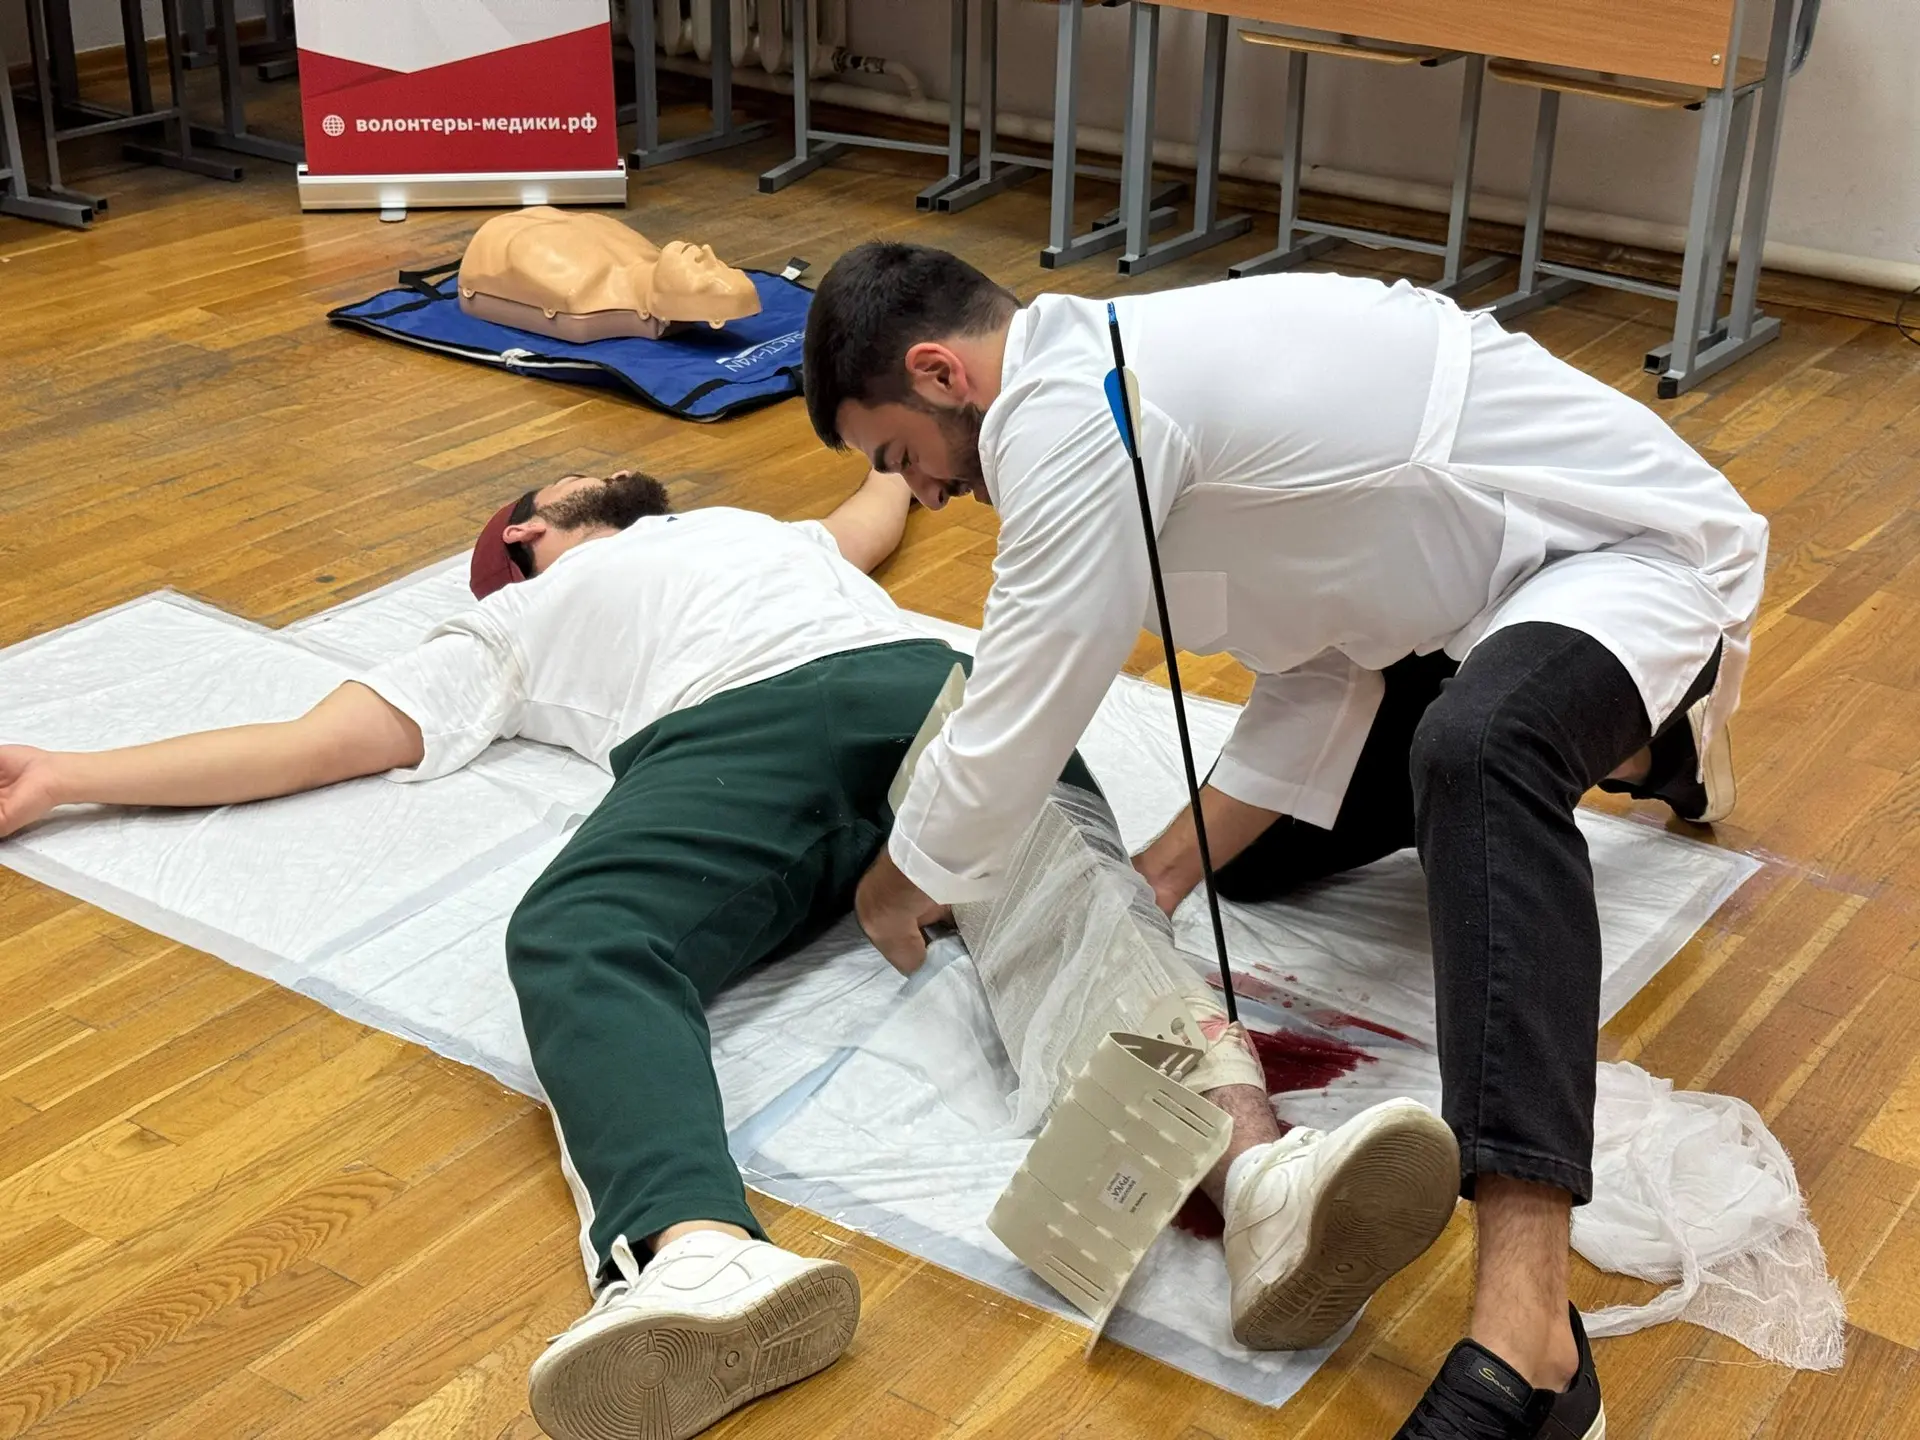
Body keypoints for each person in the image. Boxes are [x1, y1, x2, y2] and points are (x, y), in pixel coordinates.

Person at [0, 466, 1455, 1440]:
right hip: (858, 706)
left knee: (601, 934)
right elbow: (318, 739)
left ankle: (713, 1248)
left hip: (850, 707)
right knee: (1067, 905)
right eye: (541, 502)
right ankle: (1237, 1175)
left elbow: (876, 500)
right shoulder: (537, 609)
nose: (565, 497)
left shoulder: (734, 543)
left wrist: (896, 448)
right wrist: (64, 773)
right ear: (532, 538)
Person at [803, 241, 1769, 1440]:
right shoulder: (1122, 396)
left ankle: (1531, 1343)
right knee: (1254, 857)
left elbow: (1023, 696)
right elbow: (1319, 668)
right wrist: (1155, 881)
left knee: (1477, 751)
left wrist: (907, 873)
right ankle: (1646, 750)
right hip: (1446, 616)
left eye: (900, 457)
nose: (927, 494)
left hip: (1620, 555)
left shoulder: (1071, 406)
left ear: (941, 373)